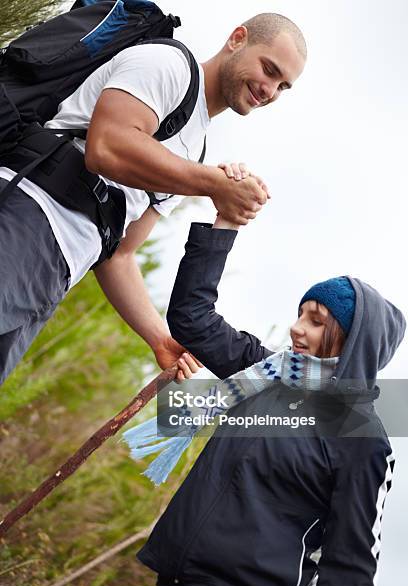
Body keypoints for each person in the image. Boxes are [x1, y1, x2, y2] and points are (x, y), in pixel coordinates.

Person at [50, 167, 405, 586]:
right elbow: (192, 318)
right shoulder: (264, 374)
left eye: (316, 322)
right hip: (181, 581)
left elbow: (351, 562)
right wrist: (225, 223)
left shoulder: (361, 438)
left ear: (355, 342)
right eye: (300, 313)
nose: (296, 329)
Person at [0, 13, 306, 386]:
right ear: (237, 39)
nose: (269, 90)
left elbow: (120, 253)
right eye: (269, 69)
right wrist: (213, 184)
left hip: (53, 276)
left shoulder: (193, 149)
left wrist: (158, 338)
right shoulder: (169, 65)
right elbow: (106, 146)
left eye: (283, 86)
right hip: (27, 215)